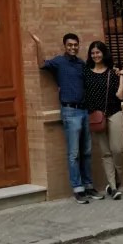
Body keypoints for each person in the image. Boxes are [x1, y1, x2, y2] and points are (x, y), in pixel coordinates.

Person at [29, 31, 104, 204]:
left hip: (85, 111)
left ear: (78, 46)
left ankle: (88, 186)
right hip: (70, 112)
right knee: (74, 153)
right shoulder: (59, 62)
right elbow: (41, 64)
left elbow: (92, 81)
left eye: (75, 45)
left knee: (86, 151)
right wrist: (38, 44)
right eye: (70, 45)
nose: (73, 47)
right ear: (65, 46)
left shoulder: (82, 64)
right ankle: (78, 189)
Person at [84, 41, 123, 200]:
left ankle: (117, 180)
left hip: (114, 112)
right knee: (105, 152)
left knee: (118, 149)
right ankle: (113, 186)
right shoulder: (86, 72)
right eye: (93, 53)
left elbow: (121, 96)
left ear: (104, 53)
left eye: (98, 52)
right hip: (96, 117)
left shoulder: (113, 72)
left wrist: (122, 76)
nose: (95, 55)